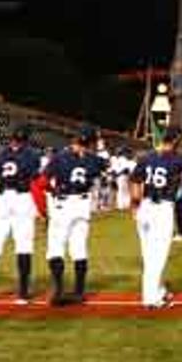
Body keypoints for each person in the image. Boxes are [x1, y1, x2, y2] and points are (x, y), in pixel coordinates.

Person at [0, 127, 44, 307]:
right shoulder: (32, 155)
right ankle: (23, 293)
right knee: (24, 245)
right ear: (26, 140)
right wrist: (43, 210)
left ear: (11, 138)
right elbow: (36, 182)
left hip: (2, 198)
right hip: (22, 198)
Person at [43, 128, 104, 306]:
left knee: (56, 247)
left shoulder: (60, 157)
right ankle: (79, 291)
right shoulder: (95, 160)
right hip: (83, 204)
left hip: (63, 203)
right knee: (79, 248)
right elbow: (101, 169)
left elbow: (43, 181)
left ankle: (58, 289)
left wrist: (53, 192)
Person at [130, 129, 182, 309]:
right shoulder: (177, 159)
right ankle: (151, 299)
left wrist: (134, 206)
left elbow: (134, 181)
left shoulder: (145, 157)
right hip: (162, 209)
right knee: (158, 256)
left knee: (149, 255)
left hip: (144, 207)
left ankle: (159, 290)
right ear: (175, 140)